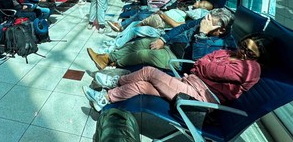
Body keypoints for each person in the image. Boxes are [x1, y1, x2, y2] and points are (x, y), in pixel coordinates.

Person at [83, 34, 269, 112]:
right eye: (244, 46)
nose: (244, 52)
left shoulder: (251, 69)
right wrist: (204, 67)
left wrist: (204, 67)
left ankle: (114, 82)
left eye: (250, 53)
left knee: (148, 71)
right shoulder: (228, 52)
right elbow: (202, 62)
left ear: (258, 57)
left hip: (202, 99)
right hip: (191, 83)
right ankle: (105, 100)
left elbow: (211, 68)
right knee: (143, 85)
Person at [87, 8, 235, 70]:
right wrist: (163, 39)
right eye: (205, 19)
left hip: (181, 60)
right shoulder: (206, 20)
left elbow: (198, 60)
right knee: (141, 43)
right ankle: (107, 58)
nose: (204, 22)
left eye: (209, 23)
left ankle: (115, 63)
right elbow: (182, 27)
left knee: (144, 54)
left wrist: (202, 34)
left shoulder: (224, 45)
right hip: (172, 45)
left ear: (221, 29)